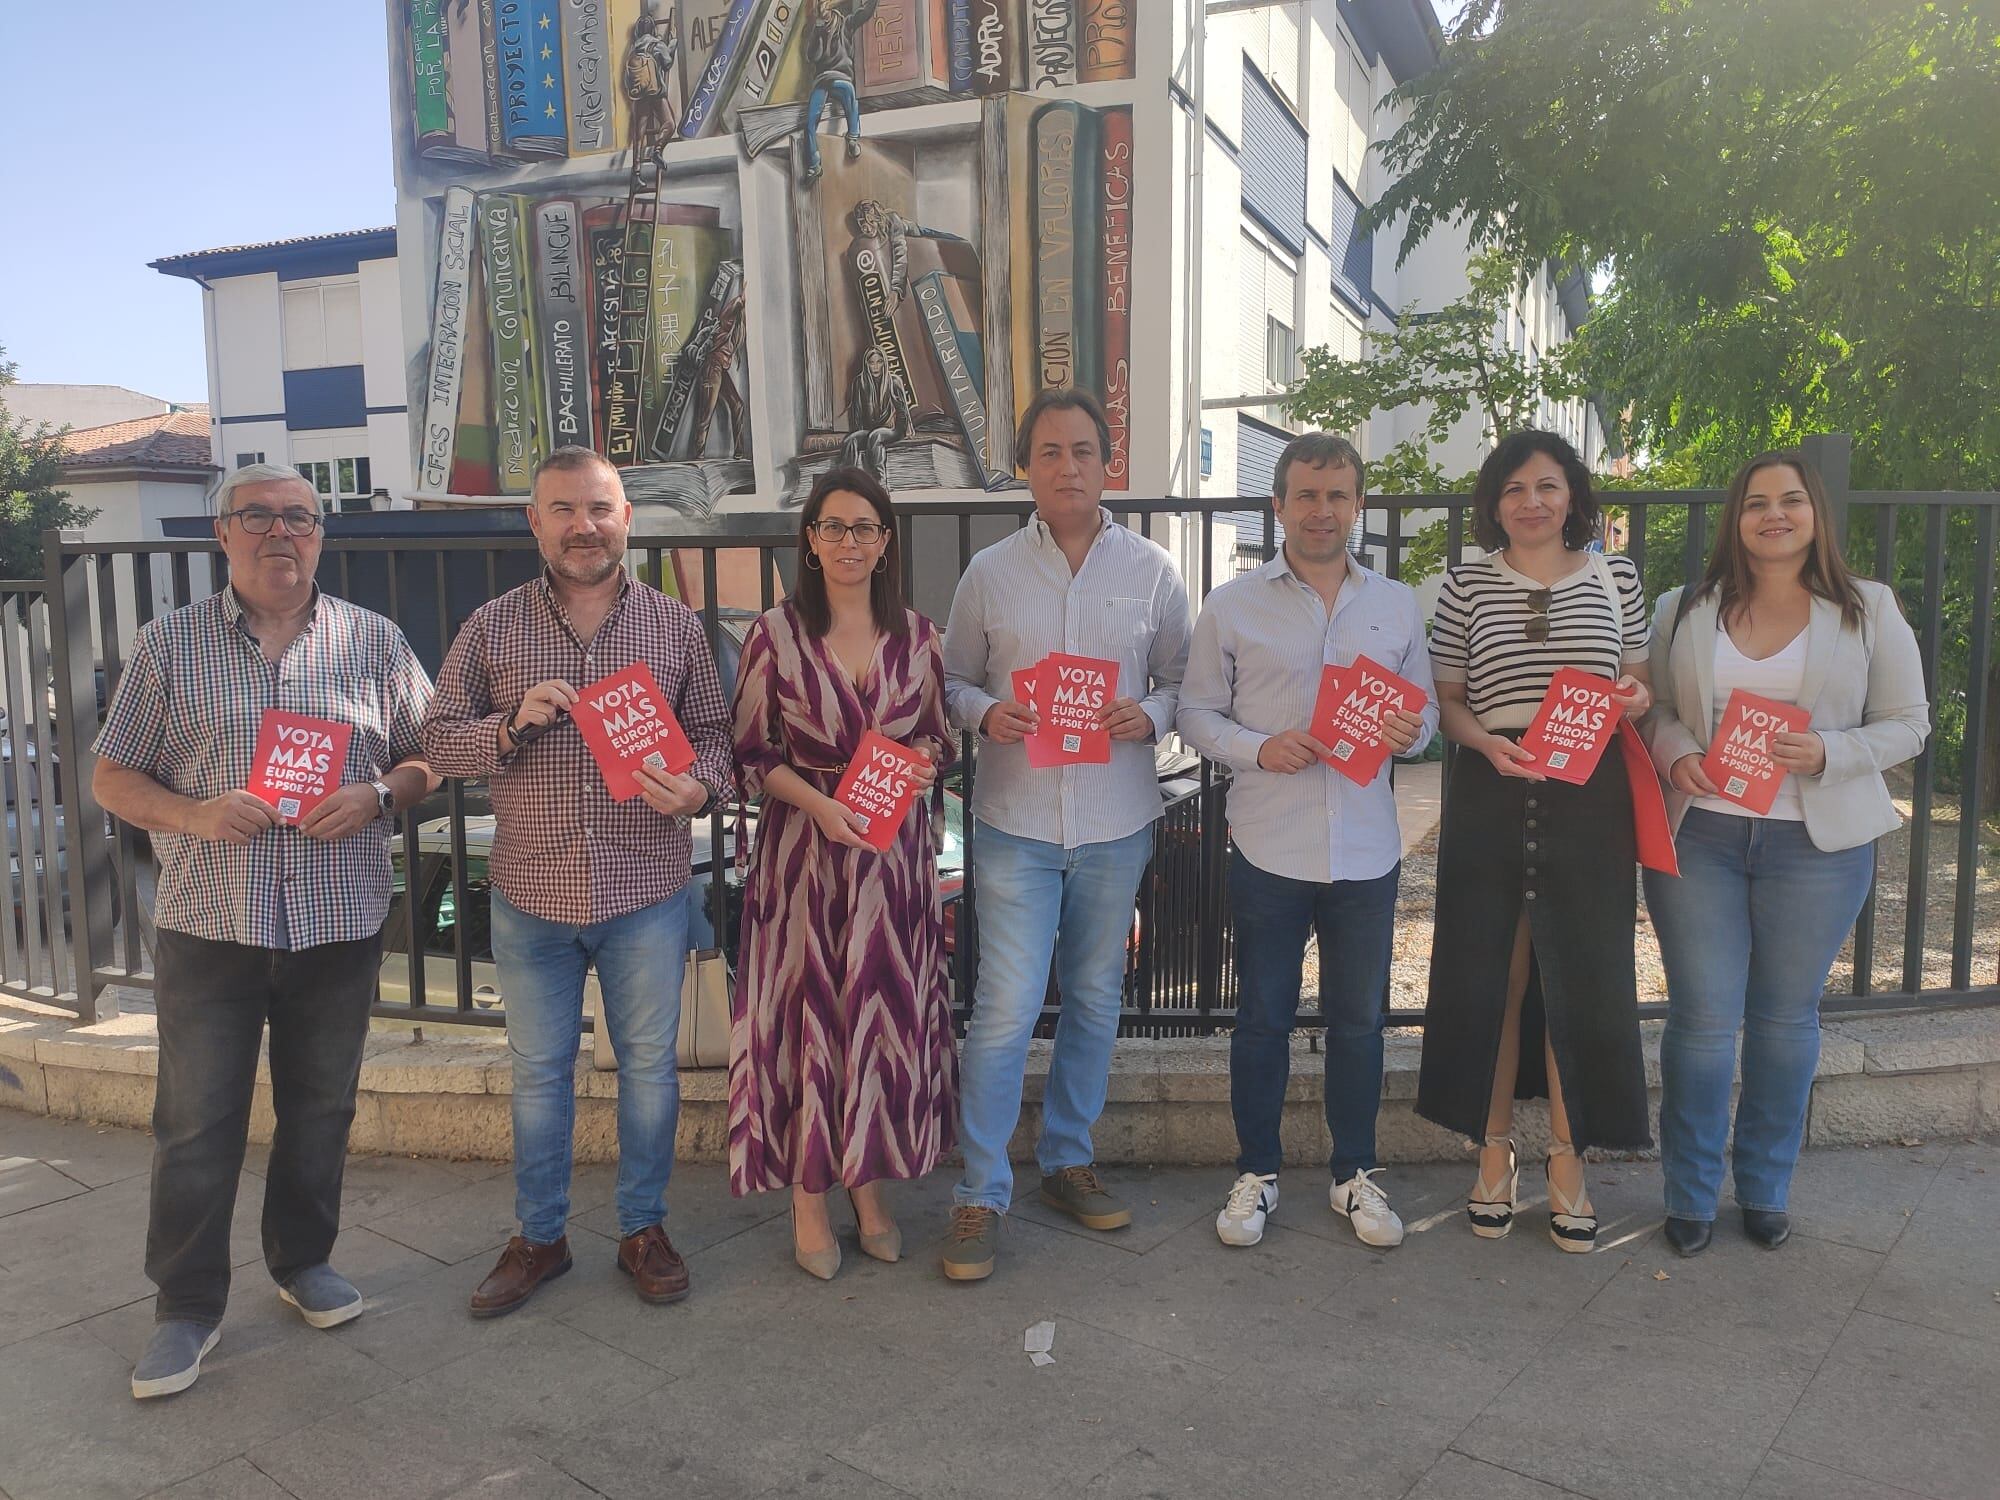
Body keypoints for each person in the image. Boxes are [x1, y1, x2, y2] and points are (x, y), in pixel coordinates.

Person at [93, 464, 437, 1398]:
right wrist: (198, 813)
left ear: (321, 534)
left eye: (300, 517)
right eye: (260, 517)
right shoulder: (168, 646)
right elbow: (113, 777)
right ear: (223, 534)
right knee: (197, 1123)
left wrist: (376, 794)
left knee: (321, 1109)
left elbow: (428, 754)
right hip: (213, 925)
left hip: (336, 921)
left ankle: (302, 1263)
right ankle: (186, 1307)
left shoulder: (373, 641)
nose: (281, 533)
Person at [421, 446, 732, 1316]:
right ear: (535, 523)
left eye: (598, 508)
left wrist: (702, 785)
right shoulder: (491, 628)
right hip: (532, 893)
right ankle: (540, 1237)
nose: (582, 526)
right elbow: (436, 739)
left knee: (650, 1073)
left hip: (646, 891)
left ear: (626, 517)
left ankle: (643, 1228)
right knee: (538, 1074)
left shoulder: (672, 628)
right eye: (562, 509)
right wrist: (511, 727)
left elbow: (716, 738)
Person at [1641, 452, 1928, 1255]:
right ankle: (1691, 1194)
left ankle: (1765, 1187)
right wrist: (1674, 756)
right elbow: (1658, 708)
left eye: (1791, 500)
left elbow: (1910, 721)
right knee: (1700, 1020)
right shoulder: (1685, 607)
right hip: (1703, 834)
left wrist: (1829, 752)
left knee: (1782, 1020)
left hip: (1819, 845)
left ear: (1815, 515)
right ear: (1736, 519)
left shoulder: (1867, 608)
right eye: (1756, 502)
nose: (1774, 514)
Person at [939, 387, 1192, 1281]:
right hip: (1014, 822)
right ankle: (978, 1192)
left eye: (1083, 450)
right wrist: (987, 714)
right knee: (1004, 1012)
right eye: (1049, 452)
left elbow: (1180, 684)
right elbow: (952, 683)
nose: (1068, 467)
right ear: (1025, 467)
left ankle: (1067, 1160)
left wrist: (1148, 713)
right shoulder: (989, 574)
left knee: (1093, 1000)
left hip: (1117, 819)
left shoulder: (1154, 573)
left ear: (1106, 459)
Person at [1178, 433, 1437, 1250]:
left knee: (1360, 1021)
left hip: (1365, 848)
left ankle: (1353, 1174)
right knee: (1262, 1018)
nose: (1321, 511)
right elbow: (1194, 713)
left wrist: (1406, 730)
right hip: (1269, 845)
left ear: (1357, 504)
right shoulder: (1231, 603)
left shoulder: (1395, 605)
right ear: (1279, 504)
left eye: (1337, 496)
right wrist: (1260, 747)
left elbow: (1425, 716)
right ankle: (1257, 1173)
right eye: (1306, 495)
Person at [1417, 430, 1654, 1254]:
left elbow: (1638, 681)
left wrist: (1630, 695)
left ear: (1572, 496)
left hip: (1590, 792)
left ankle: (1566, 1158)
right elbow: (1447, 697)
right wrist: (1483, 744)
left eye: (1547, 485)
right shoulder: (1464, 583)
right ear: (1494, 502)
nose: (1531, 501)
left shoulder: (1615, 575)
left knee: (1578, 974)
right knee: (1496, 972)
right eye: (1514, 487)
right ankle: (1491, 1152)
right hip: (1491, 781)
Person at [728, 467, 957, 1279]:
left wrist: (926, 759)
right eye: (834, 527)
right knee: (810, 1029)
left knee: (876, 1023)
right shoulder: (774, 635)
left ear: (886, 541)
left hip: (890, 868)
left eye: (865, 528)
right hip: (804, 864)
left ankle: (866, 1185)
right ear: (812, 541)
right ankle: (807, 1197)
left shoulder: (921, 638)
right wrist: (822, 809)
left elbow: (939, 735)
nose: (849, 542)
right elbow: (751, 755)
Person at [799, 0, 876, 182]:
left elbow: (812, 56)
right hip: (833, 80)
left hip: (831, 79)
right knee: (845, 107)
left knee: (815, 121)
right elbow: (812, 55)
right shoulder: (831, 26)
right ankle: (848, 141)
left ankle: (822, 159)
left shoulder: (835, 25)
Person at [839, 346, 913, 478]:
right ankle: (846, 478)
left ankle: (879, 479)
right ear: (866, 364)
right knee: (850, 440)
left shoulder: (894, 382)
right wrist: (859, 433)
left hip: (893, 429)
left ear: (884, 362)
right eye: (871, 363)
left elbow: (903, 413)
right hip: (869, 429)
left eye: (879, 362)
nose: (875, 367)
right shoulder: (859, 382)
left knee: (876, 436)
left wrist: (902, 430)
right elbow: (857, 414)